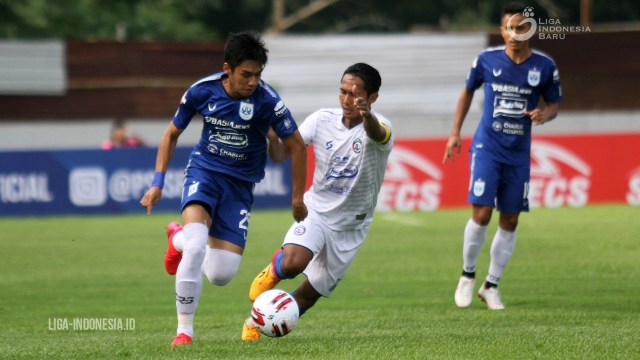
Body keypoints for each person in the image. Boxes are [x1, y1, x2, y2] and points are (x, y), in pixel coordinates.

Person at [139, 30, 308, 347]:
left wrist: (297, 198)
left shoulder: (267, 101)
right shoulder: (202, 91)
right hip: (205, 173)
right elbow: (171, 134)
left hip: (241, 186)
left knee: (220, 274)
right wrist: (157, 182)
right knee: (197, 247)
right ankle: (184, 332)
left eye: (258, 75)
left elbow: (296, 147)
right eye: (246, 74)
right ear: (227, 68)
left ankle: (176, 236)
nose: (252, 82)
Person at [240, 63, 393, 341]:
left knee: (308, 296)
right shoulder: (322, 119)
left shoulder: (381, 126)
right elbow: (281, 155)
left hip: (351, 227)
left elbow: (377, 134)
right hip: (317, 212)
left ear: (372, 98)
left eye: (355, 96)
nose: (347, 101)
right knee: (292, 264)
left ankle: (256, 319)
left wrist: (366, 114)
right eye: (343, 92)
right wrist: (272, 137)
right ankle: (275, 268)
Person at [442, 2, 562, 310]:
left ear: (530, 30)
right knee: (481, 213)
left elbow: (553, 104)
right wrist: (455, 132)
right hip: (488, 147)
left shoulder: (545, 66)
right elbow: (467, 91)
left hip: (518, 153)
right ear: (501, 30)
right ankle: (467, 276)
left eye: (521, 27)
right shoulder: (486, 60)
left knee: (510, 218)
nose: (514, 33)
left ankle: (491, 285)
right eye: (509, 27)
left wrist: (543, 115)